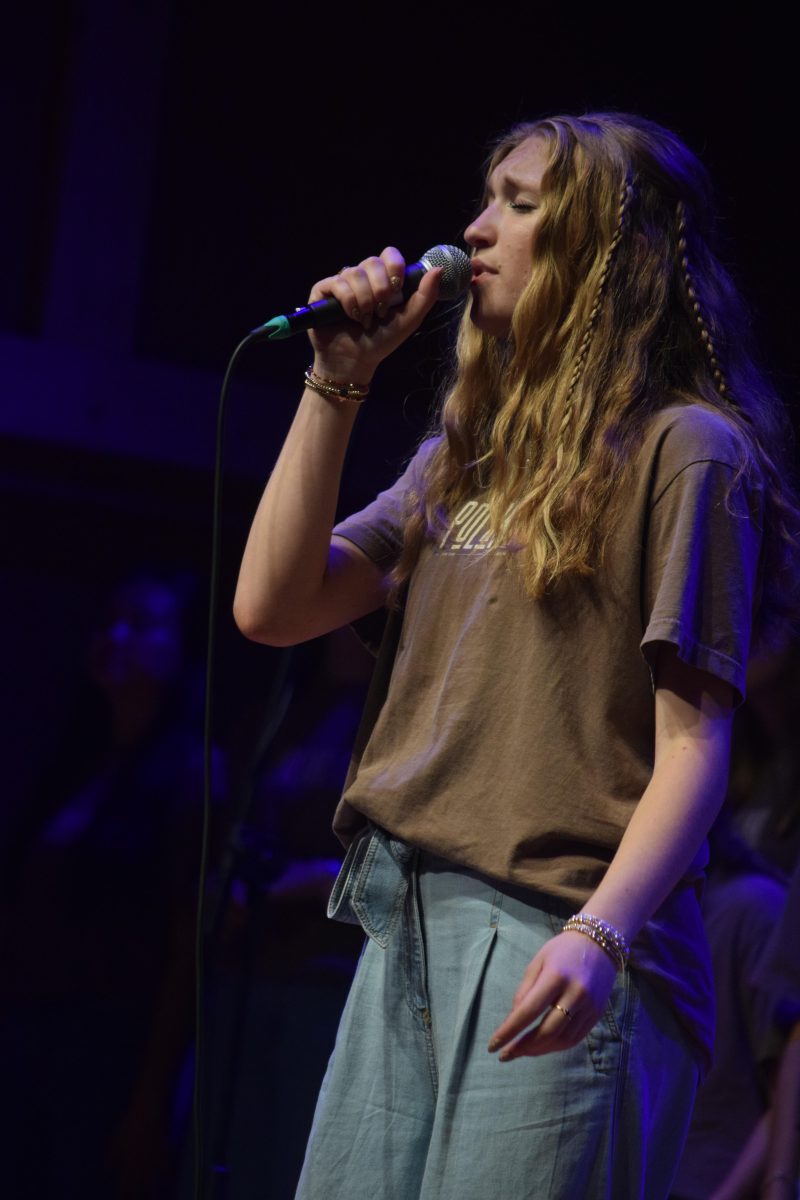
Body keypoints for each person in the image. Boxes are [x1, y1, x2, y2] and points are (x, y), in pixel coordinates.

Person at [233, 113, 800, 1199]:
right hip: (407, 921)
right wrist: (335, 380)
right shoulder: (466, 455)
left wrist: (600, 934)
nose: (475, 229)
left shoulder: (689, 450)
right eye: (486, 198)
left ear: (606, 250)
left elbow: (694, 745)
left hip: (564, 932)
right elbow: (273, 605)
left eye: (519, 203)